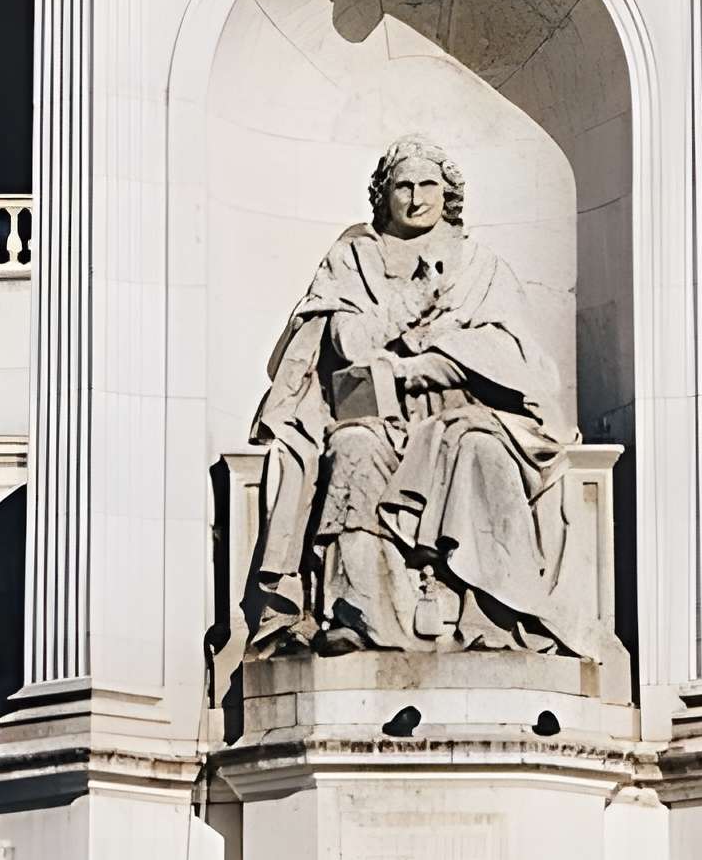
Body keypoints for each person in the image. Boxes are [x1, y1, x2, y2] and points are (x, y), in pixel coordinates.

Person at [243, 134, 597, 658]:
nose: (415, 197)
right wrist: (417, 301)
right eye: (402, 186)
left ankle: (493, 615)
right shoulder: (352, 260)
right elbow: (350, 342)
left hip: (465, 412)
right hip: (375, 415)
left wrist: (423, 361)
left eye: (427, 184)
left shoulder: (479, 265)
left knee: (483, 451)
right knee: (353, 451)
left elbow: (515, 354)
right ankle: (356, 614)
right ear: (383, 195)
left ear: (448, 193)